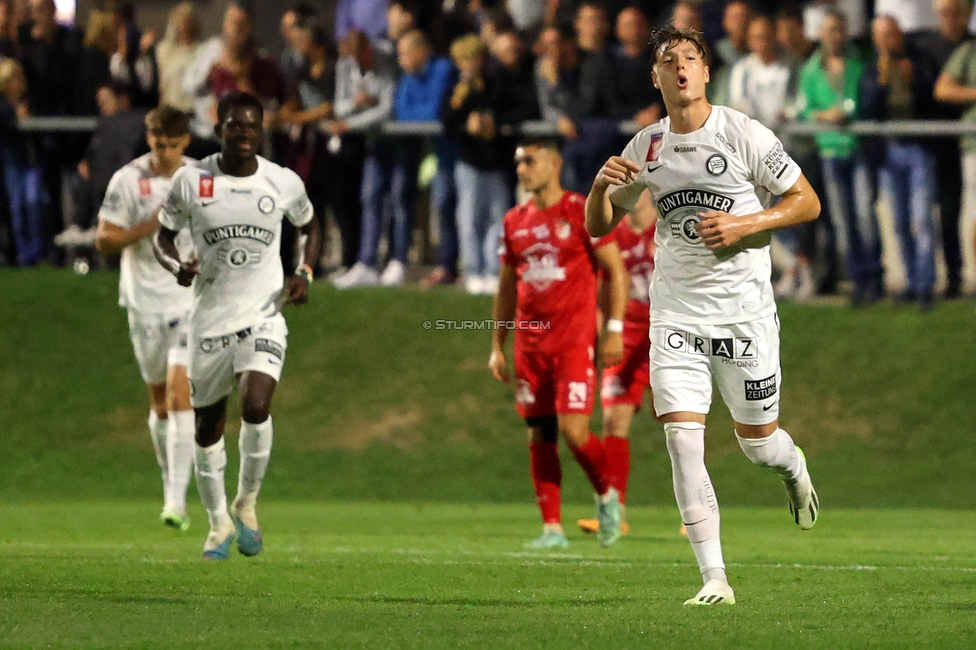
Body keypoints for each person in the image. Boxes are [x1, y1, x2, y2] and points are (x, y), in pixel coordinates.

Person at [585, 25, 821, 606]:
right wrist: (597, 188)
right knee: (683, 442)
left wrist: (746, 224)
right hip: (676, 316)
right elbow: (600, 225)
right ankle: (715, 578)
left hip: (743, 317)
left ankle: (793, 467)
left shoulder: (742, 133)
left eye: (692, 58)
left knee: (757, 444)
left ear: (707, 71)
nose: (682, 68)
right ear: (657, 78)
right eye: (670, 61)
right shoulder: (646, 148)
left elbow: (806, 201)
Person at [153, 91, 321, 560]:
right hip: (209, 323)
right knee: (208, 428)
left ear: (262, 130)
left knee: (256, 403)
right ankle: (217, 523)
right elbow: (161, 236)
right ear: (220, 127)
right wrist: (174, 266)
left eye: (251, 125)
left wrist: (304, 271)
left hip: (263, 317)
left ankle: (246, 503)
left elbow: (308, 223)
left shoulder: (280, 181)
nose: (244, 133)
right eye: (234, 125)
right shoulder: (192, 180)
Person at [490, 136, 628, 550]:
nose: (521, 169)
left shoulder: (580, 211)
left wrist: (615, 329)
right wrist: (497, 344)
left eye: (529, 160)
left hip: (572, 340)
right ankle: (552, 528)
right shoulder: (514, 220)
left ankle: (607, 494)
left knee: (574, 429)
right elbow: (506, 288)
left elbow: (615, 272)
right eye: (517, 161)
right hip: (529, 345)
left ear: (554, 165)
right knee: (539, 432)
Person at [94, 105, 196, 530]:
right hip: (143, 304)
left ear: (186, 142)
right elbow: (103, 239)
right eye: (159, 143)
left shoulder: (200, 179)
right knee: (159, 403)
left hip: (189, 301)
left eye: (173, 144)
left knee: (180, 396)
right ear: (148, 138)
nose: (166, 152)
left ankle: (176, 502)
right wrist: (148, 227)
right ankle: (169, 478)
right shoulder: (128, 180)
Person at [576, 190, 656, 537]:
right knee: (613, 421)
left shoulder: (670, 228)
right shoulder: (613, 236)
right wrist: (601, 332)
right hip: (625, 336)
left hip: (669, 335)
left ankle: (695, 513)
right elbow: (597, 287)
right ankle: (614, 512)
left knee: (682, 422)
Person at [801, 10, 882, 306]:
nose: (835, 36)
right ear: (821, 34)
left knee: (864, 214)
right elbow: (805, 109)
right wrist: (823, 115)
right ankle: (859, 280)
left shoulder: (857, 66)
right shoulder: (811, 70)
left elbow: (863, 100)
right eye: (830, 30)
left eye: (839, 30)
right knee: (842, 219)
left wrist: (845, 111)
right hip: (829, 149)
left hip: (855, 147)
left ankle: (875, 276)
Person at [860, 15, 939, 311]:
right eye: (881, 35)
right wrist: (880, 83)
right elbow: (868, 109)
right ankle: (909, 281)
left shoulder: (919, 61)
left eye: (891, 34)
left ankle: (925, 285)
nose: (888, 40)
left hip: (918, 148)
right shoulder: (871, 70)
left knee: (922, 219)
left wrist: (914, 79)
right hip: (888, 152)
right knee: (900, 222)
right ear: (874, 39)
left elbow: (933, 98)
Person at [917, 0, 973, 299]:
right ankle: (950, 276)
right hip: (936, 142)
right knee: (942, 214)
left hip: (965, 141)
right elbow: (932, 92)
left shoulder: (970, 46)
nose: (952, 19)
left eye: (958, 12)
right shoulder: (927, 48)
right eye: (945, 13)